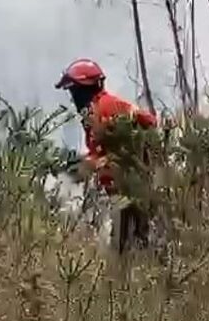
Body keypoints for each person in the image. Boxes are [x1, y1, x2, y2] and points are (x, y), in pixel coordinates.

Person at [55, 58, 158, 252]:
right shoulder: (97, 110)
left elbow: (149, 123)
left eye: (73, 91)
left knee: (124, 248)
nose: (72, 98)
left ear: (83, 89)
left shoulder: (107, 106)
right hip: (122, 188)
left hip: (127, 188)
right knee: (130, 245)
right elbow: (101, 150)